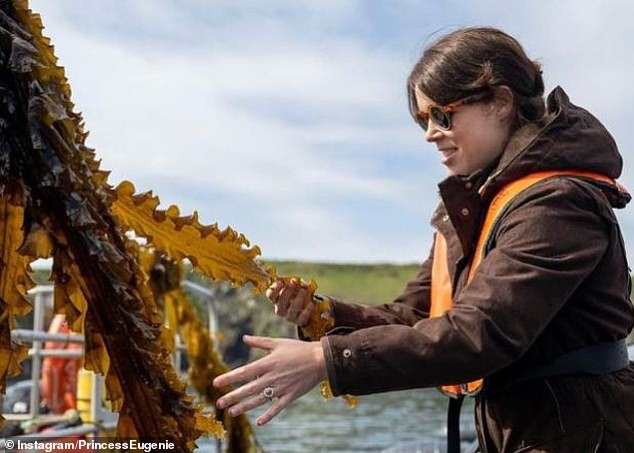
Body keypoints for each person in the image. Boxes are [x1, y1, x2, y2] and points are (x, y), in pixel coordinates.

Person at [213, 27, 634, 452]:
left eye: (442, 115)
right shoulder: (476, 208)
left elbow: (479, 335)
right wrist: (324, 316)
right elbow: (416, 316)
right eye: (422, 119)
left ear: (501, 102)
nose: (429, 133)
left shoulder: (557, 203)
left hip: (583, 435)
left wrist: (327, 360)